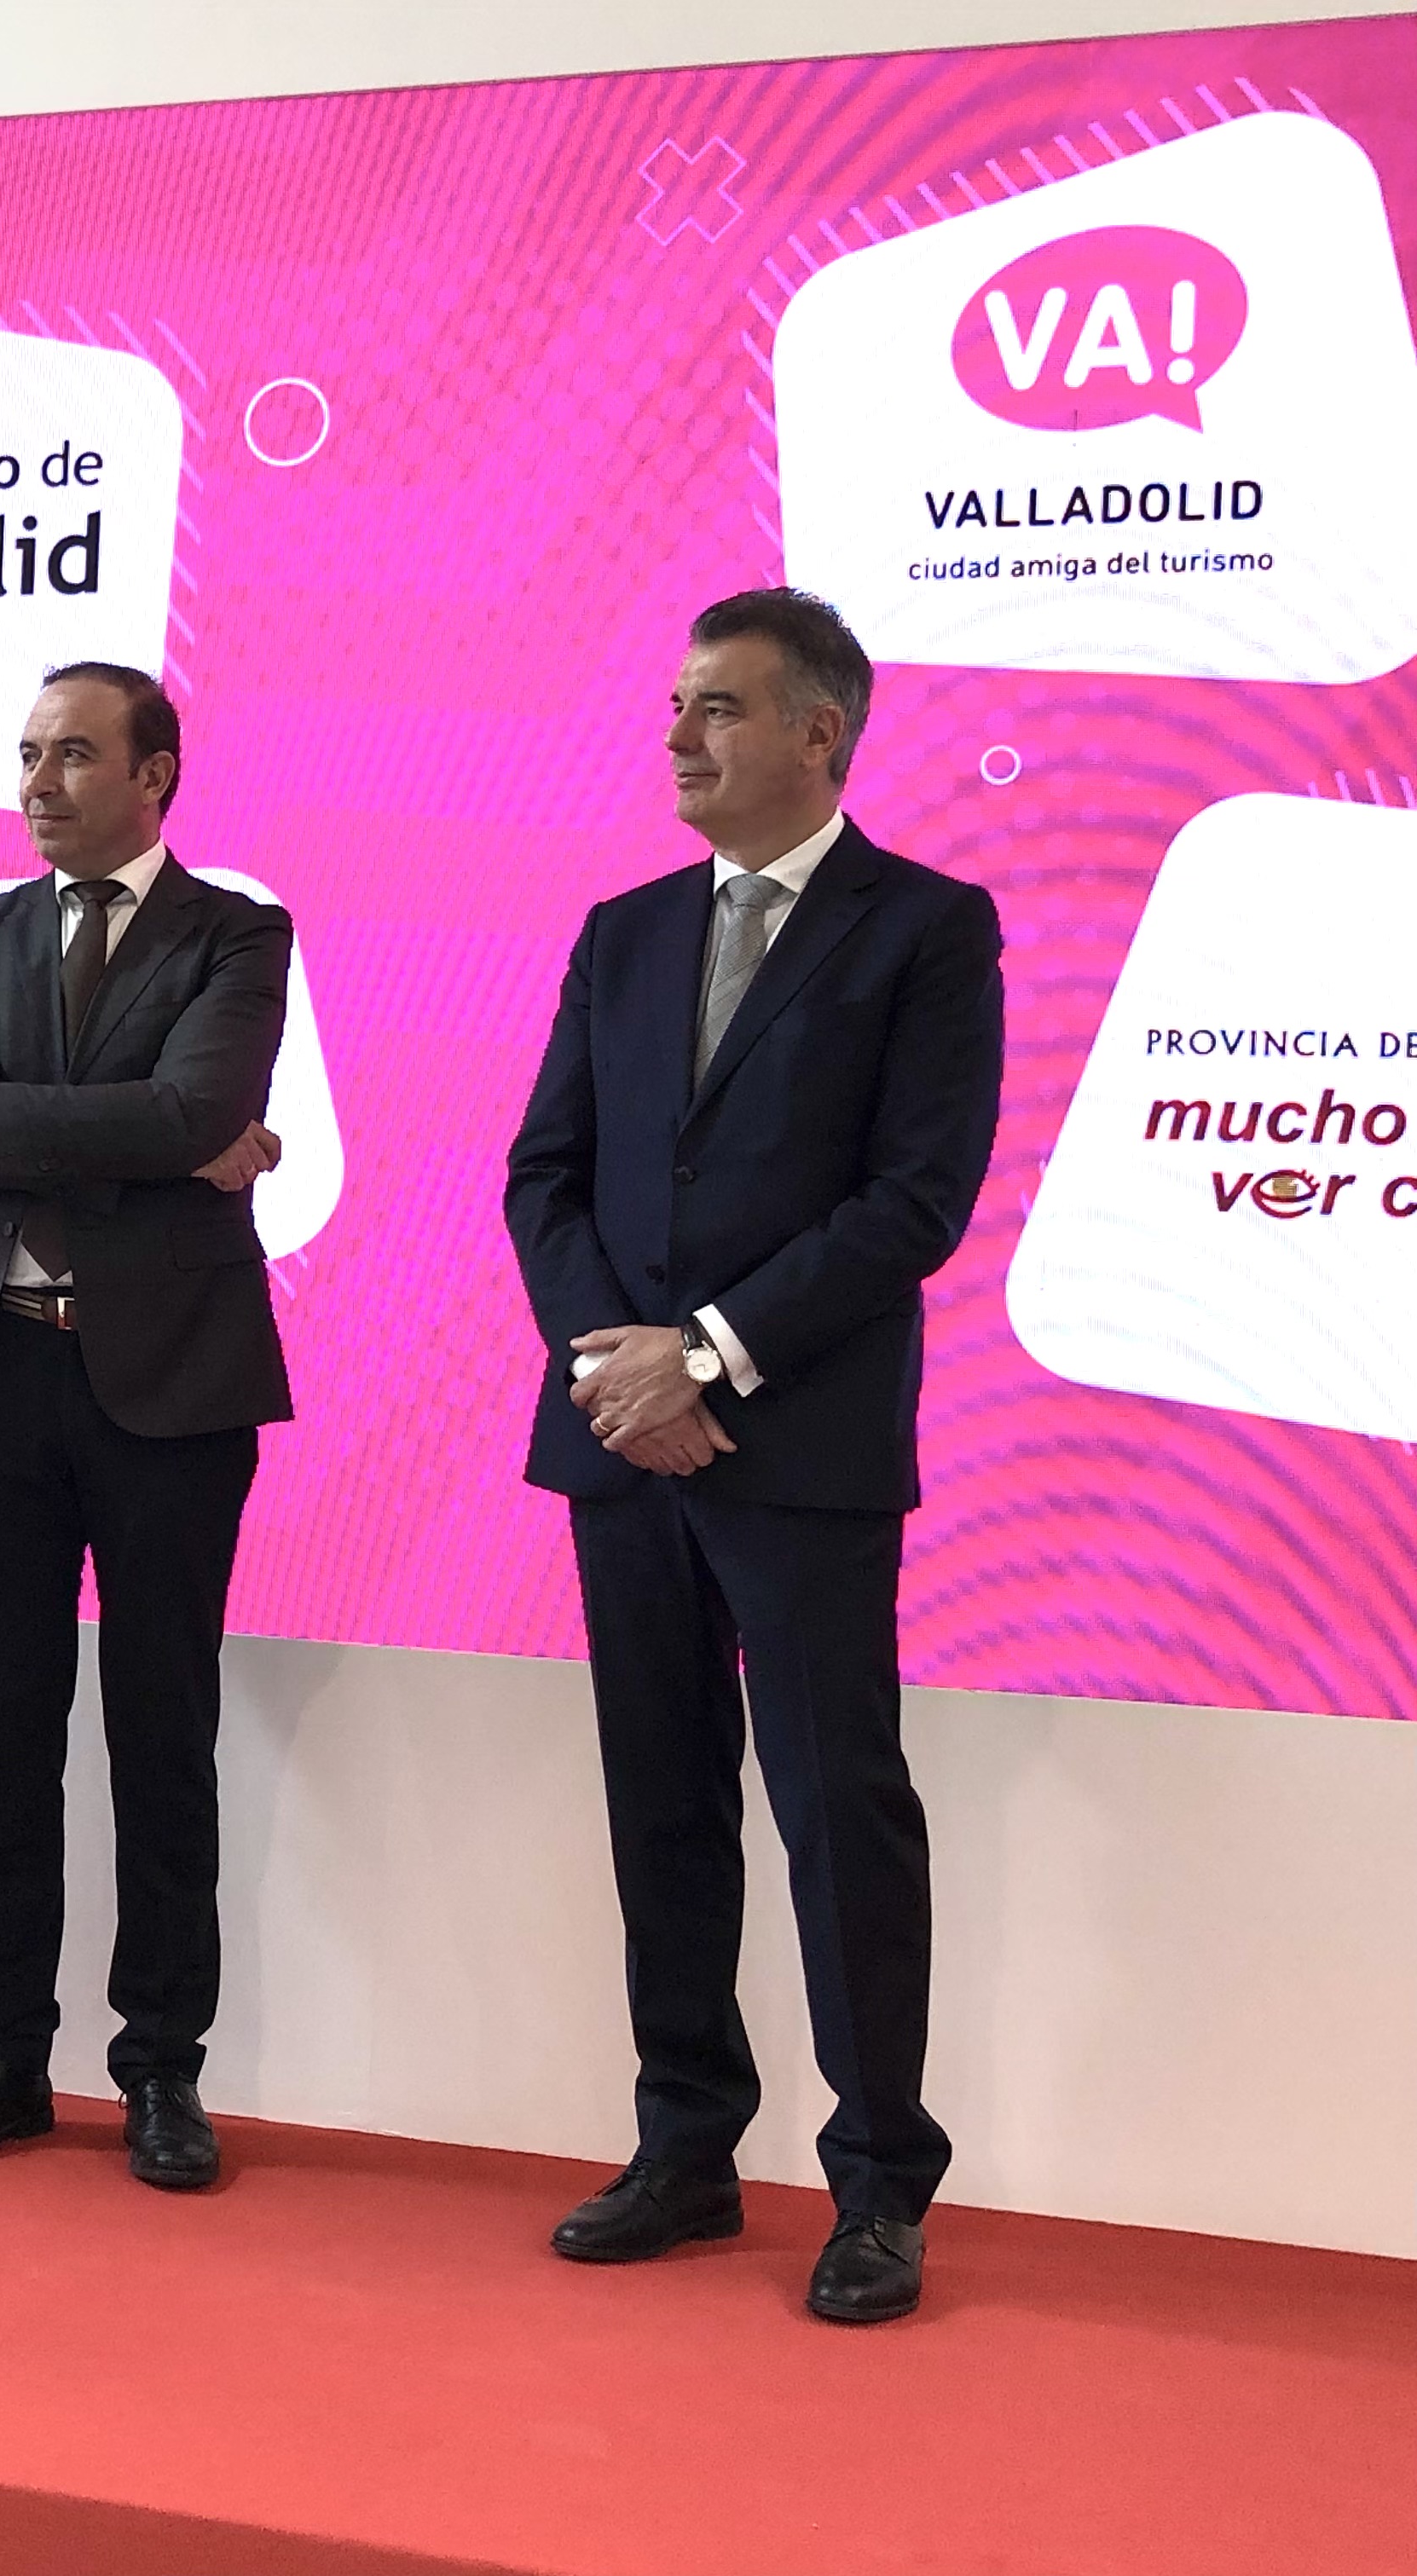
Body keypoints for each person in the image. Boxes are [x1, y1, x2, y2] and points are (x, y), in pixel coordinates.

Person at [503, 589, 1003, 2324]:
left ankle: (878, 2188)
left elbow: (916, 1201)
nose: (679, 738)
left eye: (717, 708)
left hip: (798, 1451)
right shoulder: (624, 932)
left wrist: (706, 1354)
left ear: (820, 732)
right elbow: (545, 1176)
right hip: (623, 1446)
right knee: (663, 1802)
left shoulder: (925, 929)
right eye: (675, 707)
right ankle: (686, 2149)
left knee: (836, 1811)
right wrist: (619, 1370)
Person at [0, 661, 291, 2192]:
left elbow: (193, 1112)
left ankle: (161, 2073)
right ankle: (1, 2060)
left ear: (154, 774)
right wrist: (140, 1137)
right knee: (3, 1734)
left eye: (72, 754)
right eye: (27, 754)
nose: (39, 783)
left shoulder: (237, 933)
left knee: (161, 1733)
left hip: (171, 1384)